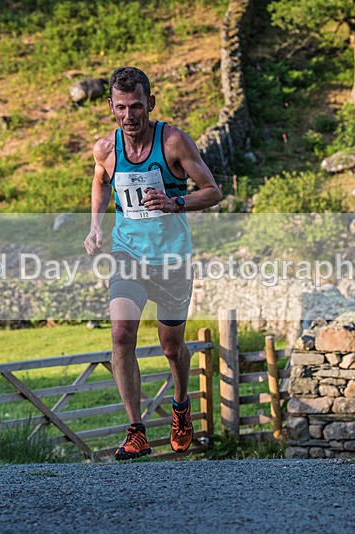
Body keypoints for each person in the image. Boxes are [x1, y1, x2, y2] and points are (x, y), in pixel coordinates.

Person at [83, 66, 222, 460]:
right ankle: (136, 430)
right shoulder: (106, 149)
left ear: (151, 104)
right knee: (122, 335)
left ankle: (180, 405)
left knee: (170, 347)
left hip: (172, 259)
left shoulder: (174, 141)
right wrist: (95, 225)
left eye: (137, 107)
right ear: (111, 106)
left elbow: (213, 192)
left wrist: (176, 201)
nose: (130, 116)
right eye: (122, 107)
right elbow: (100, 180)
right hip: (127, 254)